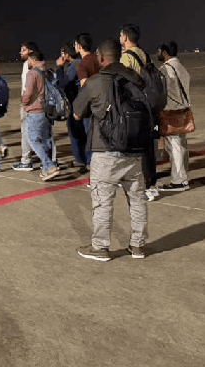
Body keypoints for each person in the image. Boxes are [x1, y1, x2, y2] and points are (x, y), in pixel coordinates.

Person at [72, 38, 149, 261]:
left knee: (102, 200)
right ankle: (137, 246)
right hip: (134, 148)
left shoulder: (96, 81)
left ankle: (100, 247)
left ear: (101, 58)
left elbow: (77, 111)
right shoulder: (136, 79)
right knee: (137, 199)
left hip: (106, 149)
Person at [119, 23, 159, 201]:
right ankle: (150, 182)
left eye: (121, 35)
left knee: (137, 147)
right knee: (147, 146)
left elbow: (121, 81)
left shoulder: (127, 57)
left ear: (125, 38)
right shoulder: (144, 54)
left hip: (134, 106)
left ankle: (146, 185)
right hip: (147, 104)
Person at [11, 41, 57, 170]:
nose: (21, 52)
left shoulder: (30, 68)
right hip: (46, 105)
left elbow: (29, 90)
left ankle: (28, 161)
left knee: (29, 135)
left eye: (24, 50)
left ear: (31, 53)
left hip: (33, 106)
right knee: (46, 134)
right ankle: (51, 159)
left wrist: (24, 103)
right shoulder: (45, 67)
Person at [157, 41, 191, 192]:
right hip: (183, 110)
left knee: (175, 146)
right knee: (182, 145)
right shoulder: (181, 67)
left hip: (171, 111)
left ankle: (179, 181)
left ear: (164, 52)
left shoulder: (165, 69)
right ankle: (183, 177)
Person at [23, 51, 60, 181]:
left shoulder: (32, 73)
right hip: (48, 110)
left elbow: (28, 93)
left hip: (36, 110)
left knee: (33, 139)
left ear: (32, 59)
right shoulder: (48, 71)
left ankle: (49, 166)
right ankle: (46, 169)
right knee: (46, 139)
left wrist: (25, 104)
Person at [57, 43, 87, 168]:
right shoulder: (81, 62)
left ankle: (80, 159)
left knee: (74, 133)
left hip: (74, 103)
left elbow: (63, 83)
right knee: (83, 132)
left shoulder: (73, 66)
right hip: (82, 101)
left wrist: (59, 67)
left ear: (66, 54)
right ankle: (85, 157)